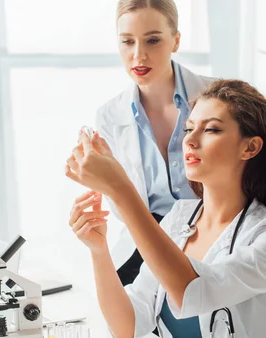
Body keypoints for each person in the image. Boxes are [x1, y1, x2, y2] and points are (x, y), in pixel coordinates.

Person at [66, 79, 266, 338]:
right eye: (189, 128)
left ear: (250, 147)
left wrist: (121, 191)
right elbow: (126, 327)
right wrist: (98, 249)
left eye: (212, 130)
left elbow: (193, 289)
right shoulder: (179, 218)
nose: (189, 140)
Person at [95, 0, 216, 285]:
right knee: (115, 316)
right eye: (127, 42)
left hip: (213, 241)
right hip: (146, 243)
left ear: (175, 41)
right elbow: (121, 206)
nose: (139, 55)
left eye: (152, 40)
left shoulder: (219, 98)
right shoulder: (109, 116)